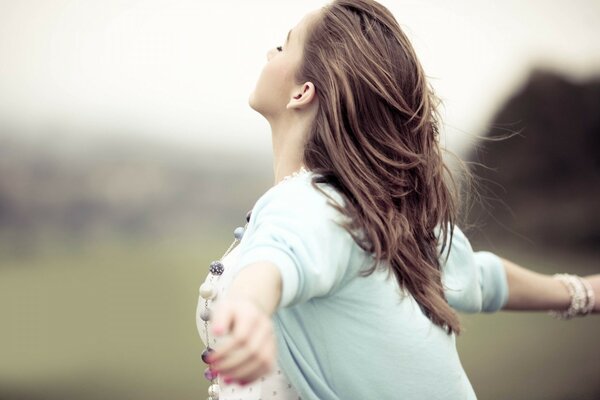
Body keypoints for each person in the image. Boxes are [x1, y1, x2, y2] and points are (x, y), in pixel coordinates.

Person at [195, 1, 600, 399]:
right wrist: (583, 292)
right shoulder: (376, 213)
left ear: (303, 92)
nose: (270, 51)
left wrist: (248, 307)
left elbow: (279, 257)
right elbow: (479, 276)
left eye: (285, 45)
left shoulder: (309, 202)